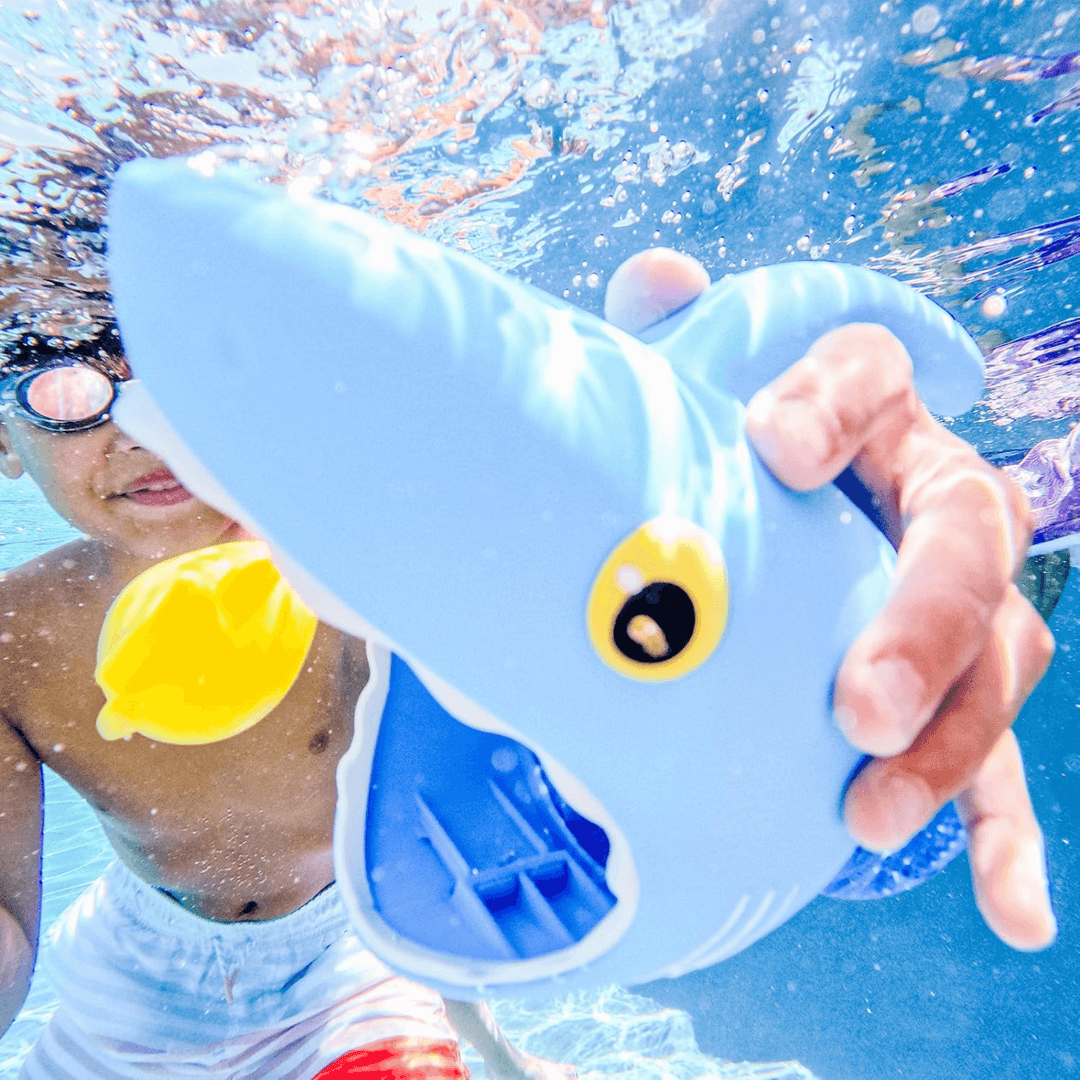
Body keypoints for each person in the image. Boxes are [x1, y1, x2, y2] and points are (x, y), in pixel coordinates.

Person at [0, 248, 1056, 1080]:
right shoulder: (15, 636)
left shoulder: (381, 559)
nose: (140, 429)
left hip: (356, 941)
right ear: (10, 437)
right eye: (65, 381)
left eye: (178, 361)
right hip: (136, 960)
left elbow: (441, 829)